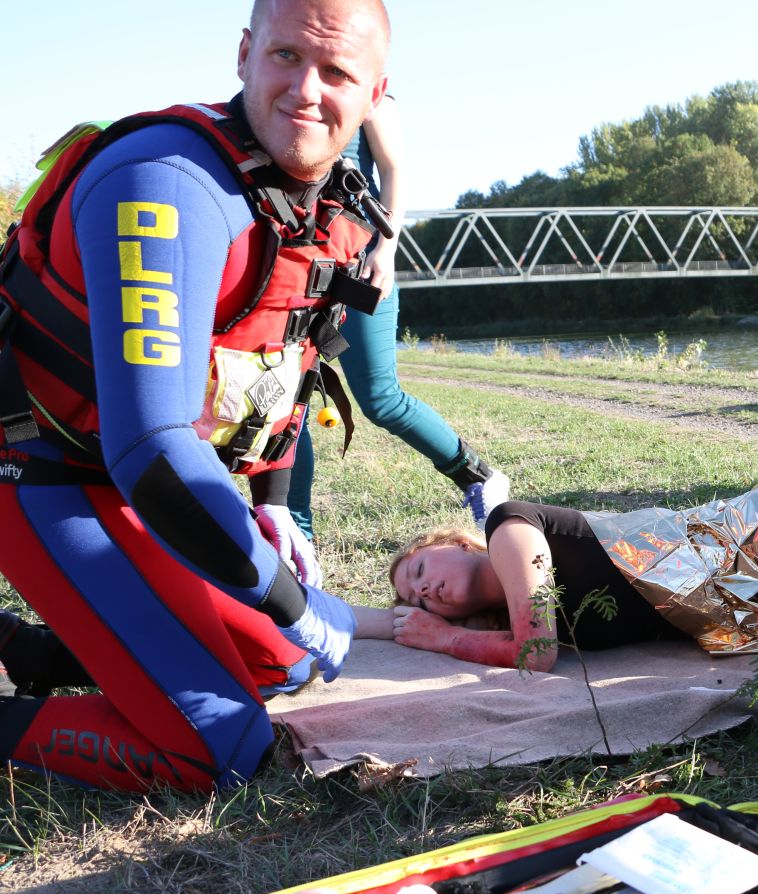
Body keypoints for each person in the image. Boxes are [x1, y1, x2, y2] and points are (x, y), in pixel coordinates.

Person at [0, 0, 390, 792]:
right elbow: (154, 449)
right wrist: (296, 602)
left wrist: (274, 507)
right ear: (245, 54)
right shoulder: (165, 179)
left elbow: (284, 366)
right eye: (286, 57)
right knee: (220, 748)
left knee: (282, 664)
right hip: (37, 465)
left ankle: (33, 652)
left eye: (337, 71)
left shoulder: (319, 200)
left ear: (375, 94)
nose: (306, 91)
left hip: (122, 473)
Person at [287, 96, 508, 551]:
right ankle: (294, 535)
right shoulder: (281, 98)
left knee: (380, 398)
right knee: (290, 407)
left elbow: (393, 171)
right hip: (294, 267)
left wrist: (386, 250)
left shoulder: (371, 98)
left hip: (360, 264)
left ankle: (478, 477)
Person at [353, 501, 694, 672]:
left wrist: (446, 637)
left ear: (459, 543)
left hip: (711, 552)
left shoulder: (509, 527)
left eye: (420, 570)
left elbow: (536, 653)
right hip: (713, 620)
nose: (424, 591)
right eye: (420, 601)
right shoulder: (503, 623)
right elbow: (399, 624)